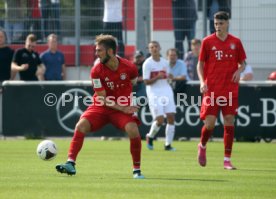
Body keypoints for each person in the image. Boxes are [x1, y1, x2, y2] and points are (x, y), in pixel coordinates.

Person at [56, 34, 145, 179]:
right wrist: (122, 107)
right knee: (81, 125)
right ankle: (70, 163)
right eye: (96, 50)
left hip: (121, 107)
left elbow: (134, 81)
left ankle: (137, 170)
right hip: (101, 106)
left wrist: (125, 101)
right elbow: (102, 99)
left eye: (99, 50)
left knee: (133, 129)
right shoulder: (96, 70)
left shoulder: (129, 67)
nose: (96, 53)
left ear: (110, 51)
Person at [197, 11, 246, 170]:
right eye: (216, 24)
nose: (218, 26)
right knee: (210, 124)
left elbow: (243, 63)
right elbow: (200, 64)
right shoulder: (207, 41)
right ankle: (202, 145)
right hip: (211, 88)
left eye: (221, 23)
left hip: (230, 89)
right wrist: (201, 81)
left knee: (229, 121)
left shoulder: (236, 42)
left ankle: (227, 160)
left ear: (227, 23)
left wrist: (239, 71)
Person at [143, 41, 176, 151]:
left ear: (160, 48)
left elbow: (167, 75)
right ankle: (150, 136)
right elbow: (146, 82)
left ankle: (168, 145)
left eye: (156, 46)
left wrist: (170, 76)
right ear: (149, 50)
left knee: (171, 117)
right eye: (152, 47)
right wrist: (157, 77)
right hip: (154, 92)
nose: (154, 49)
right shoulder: (147, 64)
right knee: (160, 120)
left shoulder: (165, 62)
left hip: (166, 90)